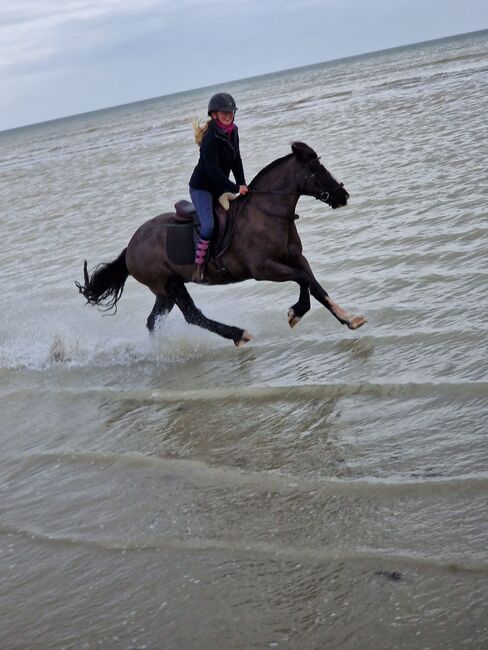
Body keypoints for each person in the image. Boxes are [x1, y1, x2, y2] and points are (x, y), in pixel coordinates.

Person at [189, 92, 248, 282]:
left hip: (219, 186)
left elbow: (236, 159)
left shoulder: (234, 131)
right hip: (202, 188)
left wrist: (242, 183)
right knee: (208, 225)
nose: (228, 115)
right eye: (224, 112)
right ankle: (199, 266)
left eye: (231, 112)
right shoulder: (211, 137)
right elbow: (213, 170)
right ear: (214, 114)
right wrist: (233, 187)